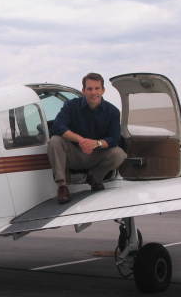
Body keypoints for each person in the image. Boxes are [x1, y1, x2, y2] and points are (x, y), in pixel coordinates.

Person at [47, 72, 127, 204]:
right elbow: (57, 126)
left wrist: (97, 143)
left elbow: (114, 138)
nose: (93, 92)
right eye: (89, 89)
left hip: (97, 154)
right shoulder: (71, 106)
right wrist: (81, 140)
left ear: (103, 90)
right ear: (83, 90)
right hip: (74, 154)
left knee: (119, 154)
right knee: (55, 141)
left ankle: (94, 178)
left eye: (97, 88)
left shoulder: (113, 111)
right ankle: (62, 186)